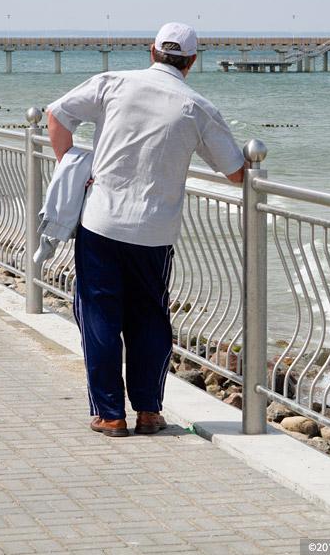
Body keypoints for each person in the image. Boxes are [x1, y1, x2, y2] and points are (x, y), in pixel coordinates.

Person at [46, 22, 245, 438]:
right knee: (150, 318)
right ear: (191, 62)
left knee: (99, 316)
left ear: (151, 51)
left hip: (100, 221)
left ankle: (110, 414)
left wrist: (70, 166)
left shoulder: (114, 83)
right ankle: (150, 412)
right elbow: (236, 173)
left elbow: (57, 115)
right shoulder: (198, 107)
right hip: (155, 232)